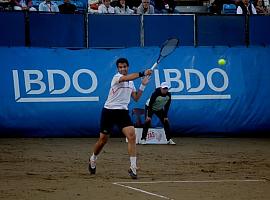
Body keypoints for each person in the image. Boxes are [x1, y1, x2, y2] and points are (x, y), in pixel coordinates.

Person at [89, 58, 152, 179]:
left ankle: (133, 167)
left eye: (125, 67)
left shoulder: (131, 82)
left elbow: (136, 97)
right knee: (103, 140)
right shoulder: (117, 78)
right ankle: (93, 158)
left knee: (132, 136)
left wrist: (143, 85)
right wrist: (143, 73)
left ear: (128, 67)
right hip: (109, 112)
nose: (123, 69)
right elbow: (127, 78)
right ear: (118, 69)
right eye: (120, 67)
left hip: (123, 112)